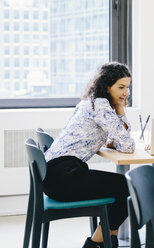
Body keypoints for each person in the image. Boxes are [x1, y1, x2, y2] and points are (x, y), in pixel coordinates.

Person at [43, 62, 135, 248]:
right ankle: (98, 243)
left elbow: (118, 138)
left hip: (53, 174)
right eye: (121, 87)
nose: (126, 93)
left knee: (119, 185)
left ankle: (108, 242)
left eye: (128, 88)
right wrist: (122, 111)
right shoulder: (101, 105)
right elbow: (127, 144)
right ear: (107, 86)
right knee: (125, 187)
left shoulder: (90, 101)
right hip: (63, 176)